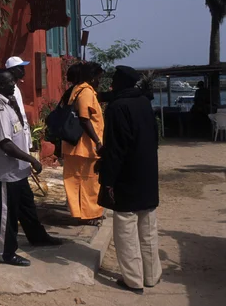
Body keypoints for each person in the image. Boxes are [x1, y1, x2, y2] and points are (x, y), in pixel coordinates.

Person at [0, 69, 62, 266]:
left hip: (18, 171)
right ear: (1, 85)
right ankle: (6, 253)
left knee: (27, 207)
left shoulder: (8, 101)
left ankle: (38, 237)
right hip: (6, 173)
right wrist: (32, 159)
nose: (15, 84)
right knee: (7, 214)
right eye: (11, 82)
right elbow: (5, 143)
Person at [97, 65, 162, 294]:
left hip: (126, 174)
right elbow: (155, 137)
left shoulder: (117, 107)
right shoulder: (144, 102)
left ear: (119, 83)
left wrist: (108, 179)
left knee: (126, 227)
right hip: (147, 171)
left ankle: (133, 280)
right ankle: (152, 275)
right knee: (148, 226)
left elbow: (116, 148)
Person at [61, 62, 105, 226]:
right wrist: (98, 141)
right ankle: (89, 214)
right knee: (88, 181)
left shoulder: (78, 90)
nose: (99, 82)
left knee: (78, 180)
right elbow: (84, 119)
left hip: (77, 145)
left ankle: (82, 212)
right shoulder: (85, 92)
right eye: (98, 78)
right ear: (92, 77)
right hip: (83, 146)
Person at [4, 56, 32, 151]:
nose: (23, 70)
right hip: (16, 131)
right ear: (12, 70)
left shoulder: (16, 87)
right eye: (20, 68)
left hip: (22, 129)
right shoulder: (9, 89)